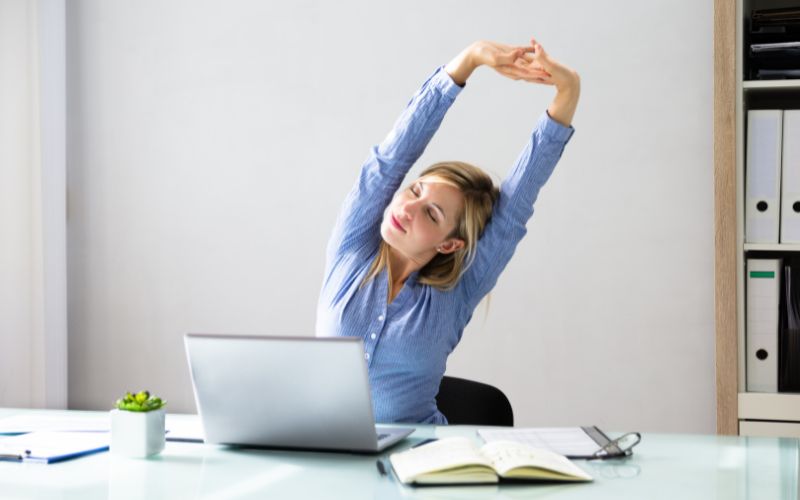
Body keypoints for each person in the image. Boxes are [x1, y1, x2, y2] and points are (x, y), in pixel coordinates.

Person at [315, 37, 580, 424]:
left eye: (432, 214)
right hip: (326, 457)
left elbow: (515, 207)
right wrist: (468, 62)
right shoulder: (352, 249)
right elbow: (392, 158)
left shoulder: (456, 294)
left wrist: (569, 89)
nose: (408, 207)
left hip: (420, 468)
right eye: (415, 190)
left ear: (450, 244)